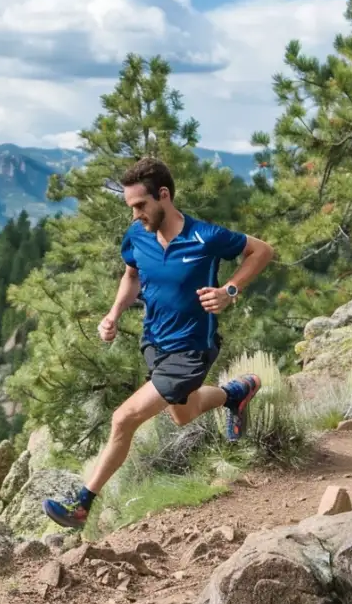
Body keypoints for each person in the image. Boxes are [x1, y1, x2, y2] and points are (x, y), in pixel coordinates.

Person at [43, 156, 276, 530]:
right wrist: (114, 314)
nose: (136, 215)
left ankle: (82, 503)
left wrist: (230, 290)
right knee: (183, 414)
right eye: (131, 207)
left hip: (192, 349)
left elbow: (262, 250)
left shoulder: (205, 236)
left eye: (140, 205)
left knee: (123, 419)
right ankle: (235, 394)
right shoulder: (137, 235)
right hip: (156, 343)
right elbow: (131, 275)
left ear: (163, 195)